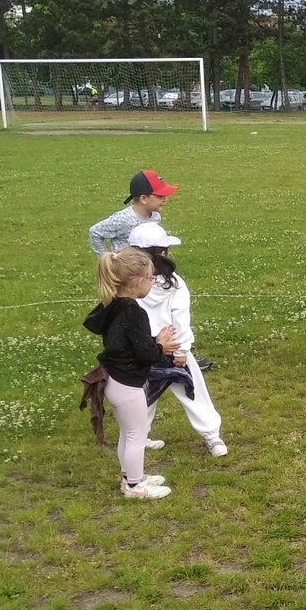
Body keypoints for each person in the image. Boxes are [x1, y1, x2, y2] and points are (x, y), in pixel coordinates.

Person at [84, 248, 180, 499]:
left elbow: (125, 342)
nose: (152, 282)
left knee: (128, 434)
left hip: (113, 378)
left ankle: (130, 477)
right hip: (127, 384)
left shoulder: (113, 305)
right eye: (150, 277)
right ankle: (135, 487)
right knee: (136, 434)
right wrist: (161, 346)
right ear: (137, 280)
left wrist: (153, 341)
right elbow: (146, 354)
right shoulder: (134, 311)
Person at [128, 222, 226, 458]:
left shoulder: (129, 284)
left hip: (144, 349)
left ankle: (137, 438)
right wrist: (182, 350)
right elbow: (180, 319)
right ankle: (213, 437)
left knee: (143, 396)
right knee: (193, 392)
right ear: (162, 253)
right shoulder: (175, 284)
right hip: (172, 349)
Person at [89, 170, 178, 255]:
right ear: (143, 199)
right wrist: (105, 258)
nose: (165, 199)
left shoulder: (155, 217)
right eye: (160, 196)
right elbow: (95, 232)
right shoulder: (123, 219)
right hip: (124, 265)